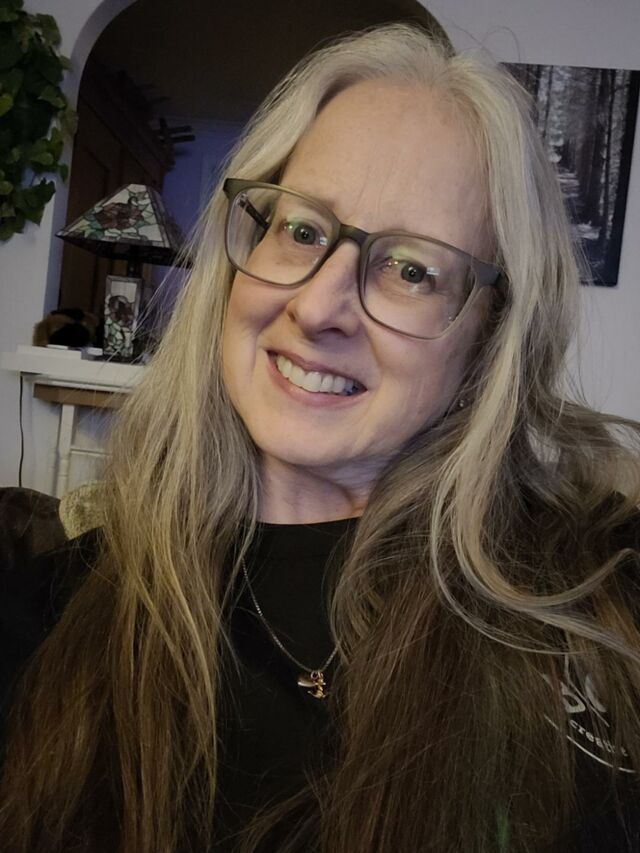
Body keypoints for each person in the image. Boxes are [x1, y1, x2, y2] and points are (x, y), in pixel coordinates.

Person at [1, 21, 640, 853]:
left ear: (490, 336)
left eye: (412, 269)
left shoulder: (597, 598)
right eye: (301, 229)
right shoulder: (44, 621)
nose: (315, 307)